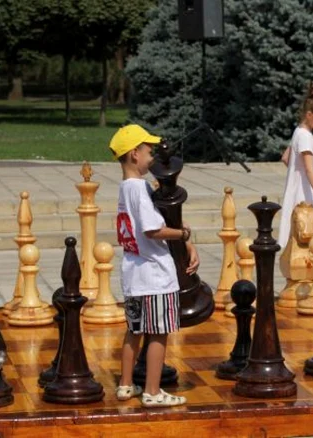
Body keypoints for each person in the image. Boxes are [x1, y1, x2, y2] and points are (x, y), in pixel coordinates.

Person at [110, 124, 199, 408]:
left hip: (134, 273)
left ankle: (126, 385)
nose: (154, 157)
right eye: (149, 151)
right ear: (134, 154)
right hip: (154, 275)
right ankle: (152, 391)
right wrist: (183, 235)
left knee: (134, 330)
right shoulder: (139, 188)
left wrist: (181, 235)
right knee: (158, 332)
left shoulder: (127, 188)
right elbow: (152, 230)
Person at [278, 82, 313, 249]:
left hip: (298, 192)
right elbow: (309, 169)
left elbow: (285, 157)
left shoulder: (299, 131)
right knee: (309, 240)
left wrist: (296, 175)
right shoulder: (306, 137)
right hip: (305, 196)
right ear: (309, 115)